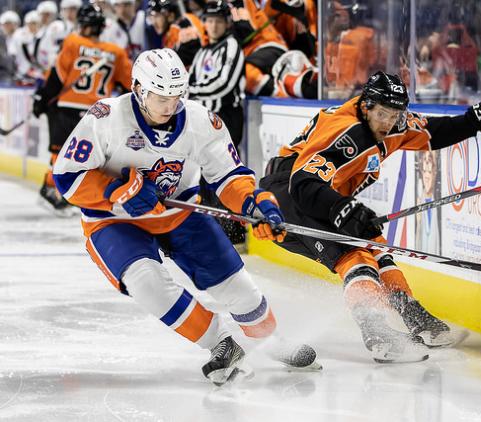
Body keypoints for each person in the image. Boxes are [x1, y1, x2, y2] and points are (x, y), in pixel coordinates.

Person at [52, 47, 318, 385]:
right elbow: (67, 177)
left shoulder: (200, 121)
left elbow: (228, 176)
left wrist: (255, 204)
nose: (170, 106)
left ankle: (271, 340)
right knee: (145, 282)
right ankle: (221, 342)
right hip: (114, 219)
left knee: (239, 288)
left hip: (179, 210)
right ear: (138, 89)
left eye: (177, 96)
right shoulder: (106, 118)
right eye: (161, 97)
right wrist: (114, 192)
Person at [260, 71, 481, 362]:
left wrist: (477, 119)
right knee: (355, 256)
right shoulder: (348, 132)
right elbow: (303, 184)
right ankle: (376, 331)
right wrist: (341, 209)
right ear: (366, 106)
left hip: (321, 195)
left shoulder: (392, 122)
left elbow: (432, 132)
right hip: (286, 196)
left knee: (377, 248)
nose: (388, 122)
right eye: (382, 114)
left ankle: (411, 313)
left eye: (395, 114)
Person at [33, 4, 133, 215]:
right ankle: (60, 191)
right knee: (87, 156)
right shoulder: (115, 52)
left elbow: (57, 76)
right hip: (97, 113)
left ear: (85, 25)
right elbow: (130, 84)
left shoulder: (73, 42)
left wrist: (43, 99)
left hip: (67, 108)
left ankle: (52, 188)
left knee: (61, 155)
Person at [189, 0, 247, 246]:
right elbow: (189, 80)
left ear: (227, 23)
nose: (213, 26)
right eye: (209, 21)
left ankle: (233, 232)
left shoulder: (232, 46)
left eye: (218, 21)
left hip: (226, 118)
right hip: (204, 119)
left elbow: (224, 84)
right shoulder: (203, 51)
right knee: (202, 174)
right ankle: (212, 229)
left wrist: (191, 90)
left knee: (224, 173)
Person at [147, 0, 207, 66]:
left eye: (157, 16)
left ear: (170, 16)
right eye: (151, 17)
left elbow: (182, 64)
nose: (154, 22)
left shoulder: (181, 29)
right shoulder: (170, 32)